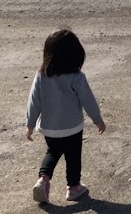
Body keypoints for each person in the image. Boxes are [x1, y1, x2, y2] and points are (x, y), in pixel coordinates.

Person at [26, 29, 106, 204]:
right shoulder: (77, 78)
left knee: (52, 152)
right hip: (72, 127)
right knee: (73, 156)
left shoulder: (41, 76)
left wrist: (30, 124)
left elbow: (34, 102)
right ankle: (73, 188)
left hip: (49, 127)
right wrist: (98, 120)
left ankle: (43, 179)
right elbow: (88, 101)